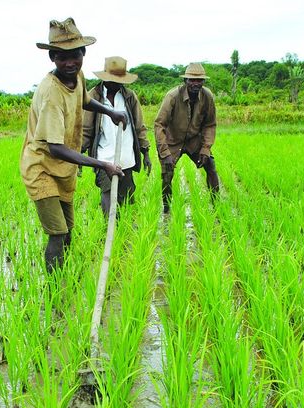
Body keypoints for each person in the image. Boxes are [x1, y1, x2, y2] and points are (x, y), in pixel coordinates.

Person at [20, 18, 126, 273]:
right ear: (52, 58)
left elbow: (85, 100)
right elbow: (55, 148)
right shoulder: (51, 93)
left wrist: (110, 111)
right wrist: (102, 164)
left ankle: (63, 278)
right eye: (62, 57)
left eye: (75, 56)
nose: (69, 63)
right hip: (42, 168)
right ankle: (54, 292)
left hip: (63, 170)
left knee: (68, 232)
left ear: (83, 53)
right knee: (57, 234)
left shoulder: (76, 75)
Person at [82, 56, 151, 216]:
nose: (116, 83)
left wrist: (145, 152)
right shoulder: (94, 97)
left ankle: (124, 232)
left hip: (125, 156)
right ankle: (110, 229)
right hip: (104, 157)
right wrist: (80, 155)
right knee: (107, 194)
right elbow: (85, 129)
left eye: (119, 80)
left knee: (126, 198)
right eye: (112, 79)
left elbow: (140, 126)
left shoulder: (129, 97)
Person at [154, 63, 219, 213]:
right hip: (172, 140)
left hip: (193, 140)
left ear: (203, 81)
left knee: (210, 165)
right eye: (192, 80)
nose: (196, 83)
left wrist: (205, 149)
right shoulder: (173, 97)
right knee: (167, 173)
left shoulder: (207, 97)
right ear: (185, 81)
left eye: (199, 80)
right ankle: (166, 207)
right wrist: (165, 153)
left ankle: (217, 203)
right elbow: (159, 125)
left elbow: (210, 124)